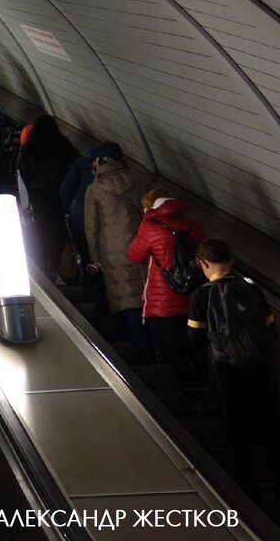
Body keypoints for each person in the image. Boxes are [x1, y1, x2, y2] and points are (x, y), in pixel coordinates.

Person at [188, 239, 280, 527]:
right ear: (231, 260)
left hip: (228, 379)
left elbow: (194, 339)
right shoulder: (252, 289)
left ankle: (249, 508)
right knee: (275, 439)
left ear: (204, 264)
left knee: (240, 442)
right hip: (261, 376)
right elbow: (272, 331)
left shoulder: (201, 296)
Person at [127, 189, 204, 391]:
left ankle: (189, 391)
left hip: (165, 299)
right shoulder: (192, 225)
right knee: (197, 345)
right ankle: (208, 388)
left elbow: (134, 255)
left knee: (175, 347)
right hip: (193, 296)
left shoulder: (150, 226)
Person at [83, 152, 150, 355]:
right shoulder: (138, 180)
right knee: (147, 297)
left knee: (126, 299)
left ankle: (143, 350)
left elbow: (91, 227)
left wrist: (95, 259)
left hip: (113, 252)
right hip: (143, 245)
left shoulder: (95, 189)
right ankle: (160, 346)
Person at [17, 114, 80, 280]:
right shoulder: (62, 144)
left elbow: (21, 172)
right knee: (61, 226)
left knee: (43, 228)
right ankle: (65, 263)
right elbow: (77, 162)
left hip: (37, 194)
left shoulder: (28, 147)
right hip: (60, 190)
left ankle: (49, 262)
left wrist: (23, 195)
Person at [61, 141, 124, 263]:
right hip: (107, 220)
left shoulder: (82, 162)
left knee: (86, 255)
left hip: (80, 215)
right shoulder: (120, 169)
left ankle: (90, 277)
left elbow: (65, 189)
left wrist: (70, 210)